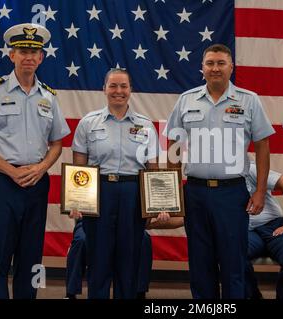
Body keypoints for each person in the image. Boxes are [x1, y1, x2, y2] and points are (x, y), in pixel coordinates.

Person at [0, 23, 70, 299]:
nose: (29, 57)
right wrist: (11, 171)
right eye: (23, 51)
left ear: (42, 58)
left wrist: (41, 168)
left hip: (37, 185)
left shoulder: (49, 96)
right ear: (11, 55)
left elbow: (57, 143)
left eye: (34, 52)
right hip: (4, 184)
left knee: (31, 258)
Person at [164, 44, 275, 298]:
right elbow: (174, 147)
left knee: (233, 264)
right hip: (195, 193)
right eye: (210, 63)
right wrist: (171, 193)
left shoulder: (249, 101)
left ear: (231, 67)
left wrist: (259, 191)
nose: (215, 68)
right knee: (200, 264)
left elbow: (262, 147)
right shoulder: (186, 100)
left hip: (232, 194)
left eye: (221, 63)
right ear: (202, 68)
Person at [69, 68, 160, 299]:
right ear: (104, 89)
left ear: (130, 90)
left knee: (128, 262)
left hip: (133, 194)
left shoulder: (146, 126)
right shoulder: (88, 123)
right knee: (98, 261)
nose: (118, 91)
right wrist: (76, 201)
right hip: (99, 193)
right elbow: (80, 168)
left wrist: (155, 204)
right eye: (113, 86)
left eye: (123, 86)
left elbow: (152, 170)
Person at [244, 163, 283, 300]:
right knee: (232, 255)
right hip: (246, 231)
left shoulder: (249, 169)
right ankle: (253, 296)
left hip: (274, 226)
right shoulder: (219, 179)